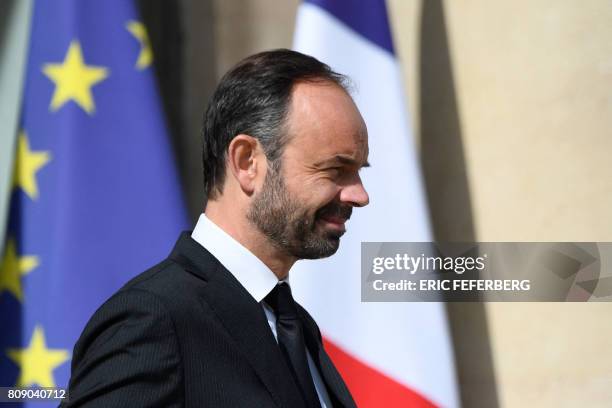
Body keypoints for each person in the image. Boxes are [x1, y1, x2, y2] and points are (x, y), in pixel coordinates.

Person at [63, 49, 369, 408]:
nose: (360, 195)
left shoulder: (296, 326)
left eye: (360, 171)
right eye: (335, 170)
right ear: (246, 162)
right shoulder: (154, 320)